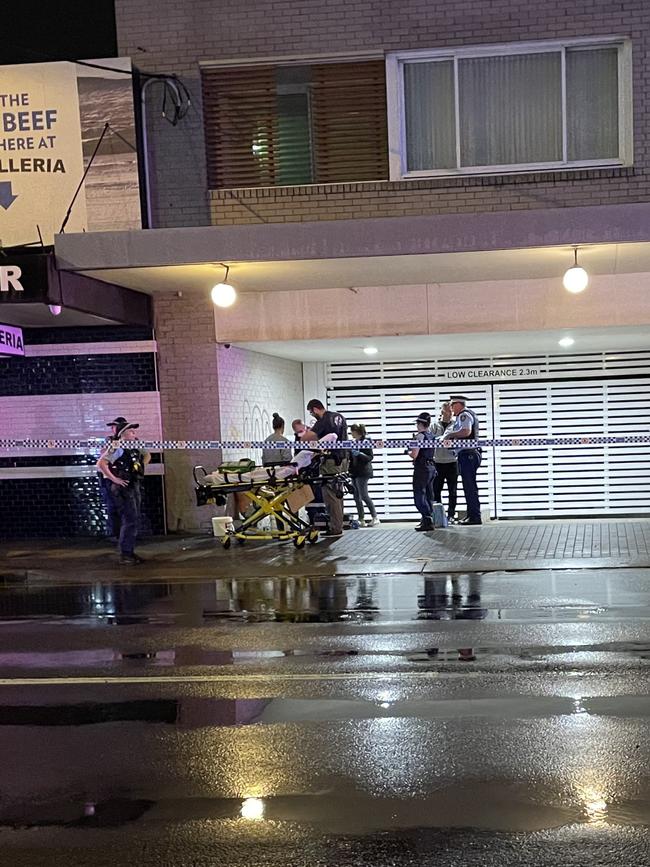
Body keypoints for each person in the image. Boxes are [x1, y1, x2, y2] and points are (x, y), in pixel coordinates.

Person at [96, 419, 151, 565]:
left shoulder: (134, 446)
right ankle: (126, 554)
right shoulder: (117, 447)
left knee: (133, 519)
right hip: (124, 489)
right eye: (131, 432)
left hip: (134, 485)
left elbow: (147, 455)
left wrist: (138, 468)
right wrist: (114, 479)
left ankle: (129, 552)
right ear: (123, 434)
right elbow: (101, 463)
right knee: (129, 520)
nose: (134, 434)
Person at [301, 399, 348, 537]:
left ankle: (335, 528)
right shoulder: (339, 417)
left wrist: (304, 433)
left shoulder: (324, 420)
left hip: (331, 461)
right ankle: (338, 525)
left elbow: (307, 438)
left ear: (315, 409)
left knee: (330, 494)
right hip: (344, 459)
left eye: (311, 412)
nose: (312, 415)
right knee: (338, 493)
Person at [444, 395, 482, 525]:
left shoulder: (463, 415)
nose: (451, 408)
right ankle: (472, 515)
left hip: (468, 455)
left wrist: (450, 434)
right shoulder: (468, 414)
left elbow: (466, 431)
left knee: (469, 486)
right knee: (469, 486)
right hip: (469, 454)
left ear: (458, 404)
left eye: (452, 405)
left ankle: (474, 517)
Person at [97, 416, 126, 539]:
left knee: (124, 506)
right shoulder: (109, 440)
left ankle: (124, 533)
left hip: (122, 475)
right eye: (112, 427)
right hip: (109, 476)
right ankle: (116, 533)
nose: (113, 429)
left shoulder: (129, 439)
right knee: (112, 505)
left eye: (115, 426)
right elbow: (102, 455)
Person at [408, 411, 436, 531]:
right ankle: (427, 519)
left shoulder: (419, 436)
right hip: (431, 467)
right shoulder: (431, 436)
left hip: (422, 468)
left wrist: (408, 452)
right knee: (429, 494)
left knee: (419, 494)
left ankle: (427, 519)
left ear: (420, 424)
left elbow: (414, 455)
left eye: (417, 423)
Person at [432, 402, 458, 523]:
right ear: (442, 411)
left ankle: (451, 515)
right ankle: (439, 516)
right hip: (437, 461)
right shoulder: (434, 425)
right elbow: (430, 441)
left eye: (451, 411)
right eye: (447, 411)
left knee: (452, 491)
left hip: (452, 462)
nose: (450, 413)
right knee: (436, 490)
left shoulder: (456, 425)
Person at [349, 423, 380, 527]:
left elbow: (370, 457)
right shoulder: (353, 442)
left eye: (352, 431)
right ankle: (361, 518)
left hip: (363, 472)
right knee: (356, 496)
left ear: (357, 432)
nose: (351, 433)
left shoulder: (366, 442)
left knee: (364, 495)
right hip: (354, 472)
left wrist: (360, 454)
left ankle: (375, 517)